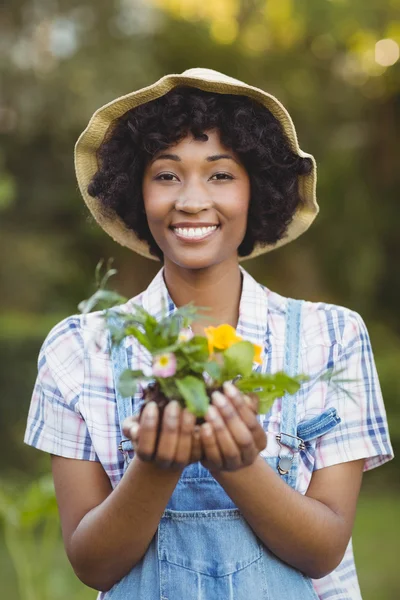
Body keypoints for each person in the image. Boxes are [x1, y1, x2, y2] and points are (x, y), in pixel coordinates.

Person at [24, 68, 393, 600]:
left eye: (221, 175)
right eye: (166, 175)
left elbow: (324, 549)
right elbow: (92, 565)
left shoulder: (332, 336)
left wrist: (240, 465)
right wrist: (153, 468)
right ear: (135, 191)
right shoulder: (77, 350)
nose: (192, 201)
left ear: (257, 189)